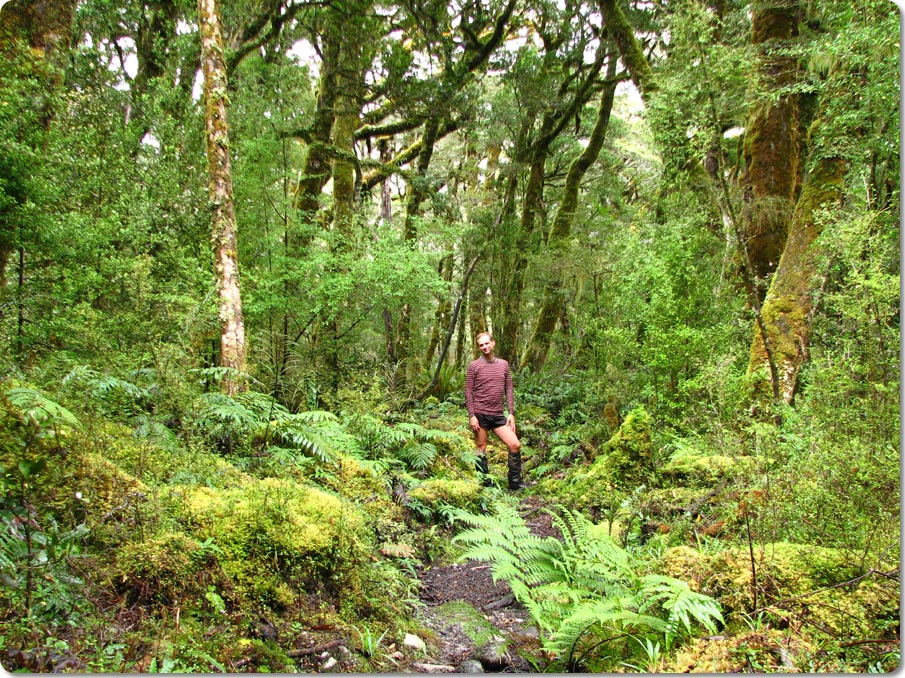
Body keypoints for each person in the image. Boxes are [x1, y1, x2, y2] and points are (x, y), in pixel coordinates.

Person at [465, 331, 525, 490]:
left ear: (493, 343)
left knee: (515, 445)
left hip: (498, 415)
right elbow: (468, 392)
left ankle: (515, 482)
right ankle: (484, 484)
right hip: (480, 414)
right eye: (481, 345)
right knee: (481, 448)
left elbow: (509, 388)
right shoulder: (474, 366)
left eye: (486, 343)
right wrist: (472, 415)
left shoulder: (503, 364)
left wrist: (511, 412)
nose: (484, 347)